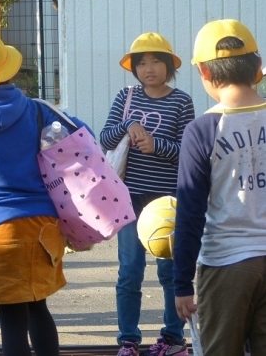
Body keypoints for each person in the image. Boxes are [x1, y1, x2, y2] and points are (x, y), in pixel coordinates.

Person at [0, 33, 81, 356]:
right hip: (43, 226)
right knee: (39, 307)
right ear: (9, 70)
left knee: (11, 318)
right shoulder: (37, 111)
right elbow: (80, 137)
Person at [99, 32, 195, 356]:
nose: (149, 68)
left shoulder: (182, 101)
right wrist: (128, 125)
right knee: (129, 272)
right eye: (141, 63)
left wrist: (157, 146)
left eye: (156, 61)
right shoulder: (126, 97)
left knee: (169, 272)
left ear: (169, 65)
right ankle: (128, 340)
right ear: (134, 68)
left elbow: (187, 151)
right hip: (128, 198)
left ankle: (172, 339)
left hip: (166, 201)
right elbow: (105, 139)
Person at [174, 19, 266, 353]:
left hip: (226, 263)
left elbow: (190, 211)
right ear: (257, 66)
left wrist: (181, 282)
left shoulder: (202, 130)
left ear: (204, 72)